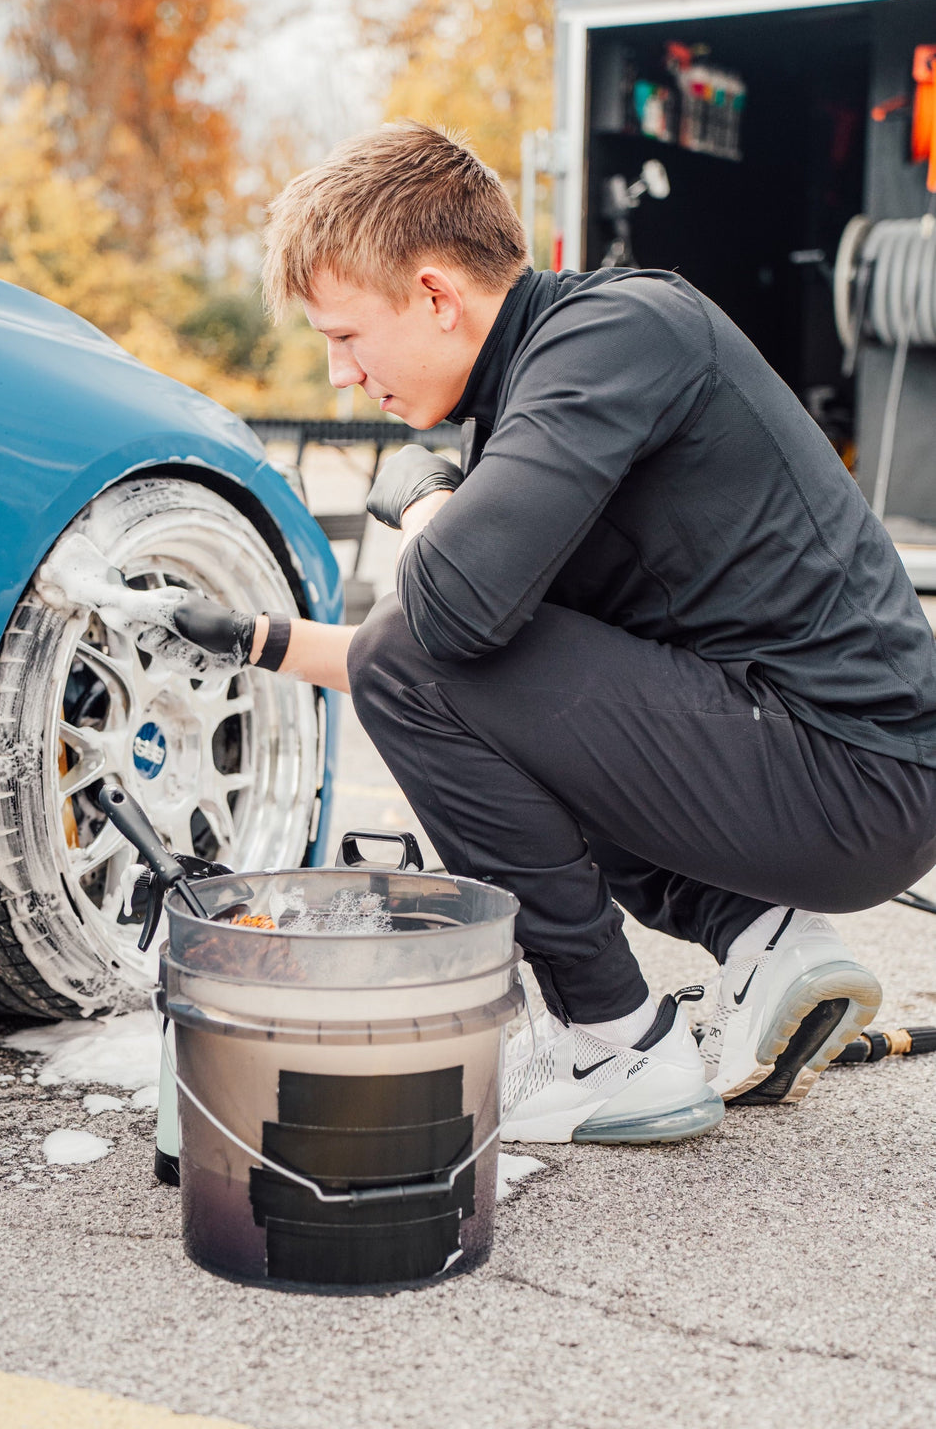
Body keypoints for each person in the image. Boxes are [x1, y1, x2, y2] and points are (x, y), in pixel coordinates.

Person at [134, 122, 936, 1146]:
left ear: (432, 295)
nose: (340, 376)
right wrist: (252, 639)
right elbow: (465, 673)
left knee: (423, 648)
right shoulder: (537, 392)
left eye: (342, 337)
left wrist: (424, 495)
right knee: (434, 663)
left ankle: (613, 1042)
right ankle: (758, 938)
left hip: (847, 778)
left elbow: (438, 630)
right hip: (818, 773)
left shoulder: (617, 333)